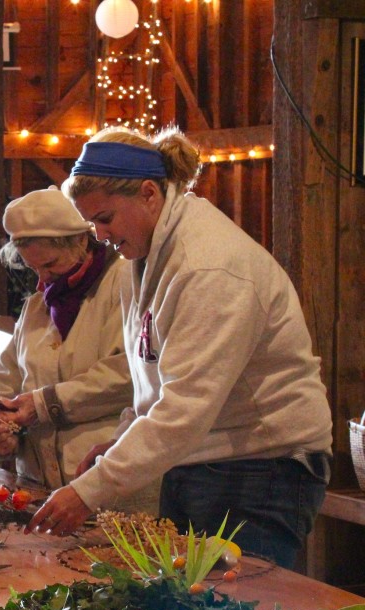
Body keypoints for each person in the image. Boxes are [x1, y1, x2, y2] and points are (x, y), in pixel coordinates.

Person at [27, 126, 332, 569]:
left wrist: (89, 491)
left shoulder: (208, 266)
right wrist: (121, 438)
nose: (100, 234)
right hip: (203, 459)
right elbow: (152, 369)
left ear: (149, 194)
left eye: (106, 218)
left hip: (260, 467)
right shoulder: (146, 253)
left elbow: (186, 405)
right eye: (92, 222)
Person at [0, 187, 156, 513]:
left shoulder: (125, 285)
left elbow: (131, 373)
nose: (41, 282)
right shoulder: (38, 305)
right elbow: (6, 376)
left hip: (107, 485)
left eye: (49, 265)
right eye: (33, 270)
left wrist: (44, 404)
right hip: (37, 487)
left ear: (81, 243)